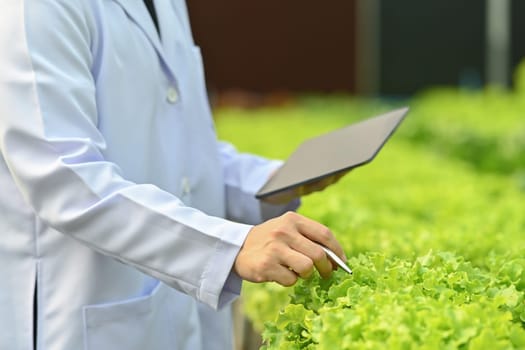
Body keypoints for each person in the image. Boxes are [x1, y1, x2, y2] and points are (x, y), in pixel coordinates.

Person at [0, 1, 347, 349]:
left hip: (172, 313)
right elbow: (65, 180)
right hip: (83, 313)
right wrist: (228, 247)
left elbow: (180, 150)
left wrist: (268, 182)